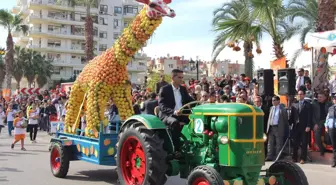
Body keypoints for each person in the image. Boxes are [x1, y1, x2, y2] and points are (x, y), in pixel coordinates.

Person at [158, 69, 194, 153]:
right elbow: (161, 106)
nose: (181, 79)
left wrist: (201, 105)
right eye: (179, 77)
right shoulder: (164, 89)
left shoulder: (182, 89)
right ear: (172, 78)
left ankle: (191, 145)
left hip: (181, 114)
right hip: (168, 115)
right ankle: (176, 149)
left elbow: (190, 100)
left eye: (182, 77)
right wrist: (174, 112)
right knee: (175, 123)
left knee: (195, 121)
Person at [289, 90, 312, 164]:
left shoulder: (308, 104)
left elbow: (309, 116)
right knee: (295, 142)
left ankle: (303, 158)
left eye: (301, 94)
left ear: (304, 95)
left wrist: (308, 125)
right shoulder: (294, 104)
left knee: (304, 143)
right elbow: (292, 116)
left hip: (304, 126)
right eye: (298, 94)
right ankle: (294, 158)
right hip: (296, 126)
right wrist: (289, 123)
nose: (299, 95)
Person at [265, 96, 289, 161]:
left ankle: (278, 157)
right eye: (272, 100)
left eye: (274, 100)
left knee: (279, 143)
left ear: (278, 101)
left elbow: (285, 120)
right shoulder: (271, 108)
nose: (273, 102)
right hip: (271, 127)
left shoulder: (282, 109)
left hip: (278, 127)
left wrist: (285, 129)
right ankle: (269, 156)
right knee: (270, 143)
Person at [312, 92, 332, 156]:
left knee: (327, 137)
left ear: (325, 98)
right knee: (316, 134)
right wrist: (315, 124)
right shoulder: (314, 104)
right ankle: (322, 149)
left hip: (327, 121)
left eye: (320, 97)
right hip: (318, 122)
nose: (319, 98)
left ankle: (329, 148)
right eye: (318, 97)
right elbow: (312, 116)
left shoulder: (329, 104)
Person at [325, 95, 336, 167]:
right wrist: (326, 126)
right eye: (334, 99)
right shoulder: (331, 108)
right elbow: (328, 117)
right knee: (334, 146)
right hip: (331, 128)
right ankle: (334, 161)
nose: (335, 100)